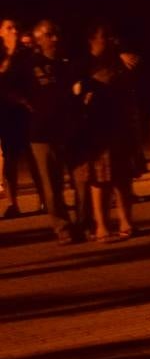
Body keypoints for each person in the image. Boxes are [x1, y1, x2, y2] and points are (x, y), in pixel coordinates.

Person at [76, 22, 140, 242]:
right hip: (95, 127)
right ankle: (101, 224)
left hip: (118, 124)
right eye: (104, 36)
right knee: (98, 178)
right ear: (92, 39)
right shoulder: (84, 64)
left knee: (122, 176)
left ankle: (126, 220)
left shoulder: (119, 61)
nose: (110, 40)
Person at [22, 20, 81, 243]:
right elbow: (8, 85)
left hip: (70, 130)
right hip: (42, 132)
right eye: (49, 35)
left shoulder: (67, 62)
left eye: (56, 34)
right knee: (52, 184)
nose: (55, 39)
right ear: (39, 39)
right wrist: (26, 104)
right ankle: (62, 227)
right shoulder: (29, 65)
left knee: (81, 181)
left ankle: (84, 222)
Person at [0, 18, 37, 218]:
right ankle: (13, 204)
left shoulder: (26, 53)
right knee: (11, 159)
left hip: (28, 112)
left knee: (36, 156)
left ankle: (44, 199)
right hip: (7, 112)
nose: (14, 30)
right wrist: (11, 51)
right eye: (9, 27)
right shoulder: (3, 54)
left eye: (16, 26)